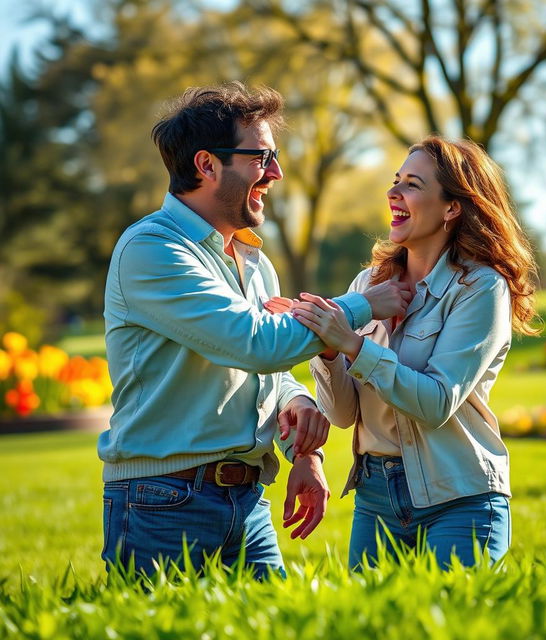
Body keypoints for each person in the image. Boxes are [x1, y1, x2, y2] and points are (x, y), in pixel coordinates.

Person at [98, 82, 411, 579]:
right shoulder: (152, 250)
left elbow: (263, 371)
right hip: (161, 502)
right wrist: (360, 307)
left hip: (247, 503)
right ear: (207, 165)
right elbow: (256, 345)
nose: (277, 173)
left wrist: (299, 423)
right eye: (262, 158)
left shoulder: (253, 259)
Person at [268, 136, 539, 569]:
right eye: (396, 181)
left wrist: (352, 343)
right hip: (375, 500)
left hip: (459, 498)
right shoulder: (367, 288)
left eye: (412, 184)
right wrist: (327, 347)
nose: (394, 193)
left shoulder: (480, 288)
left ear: (452, 207)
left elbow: (435, 403)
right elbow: (340, 415)